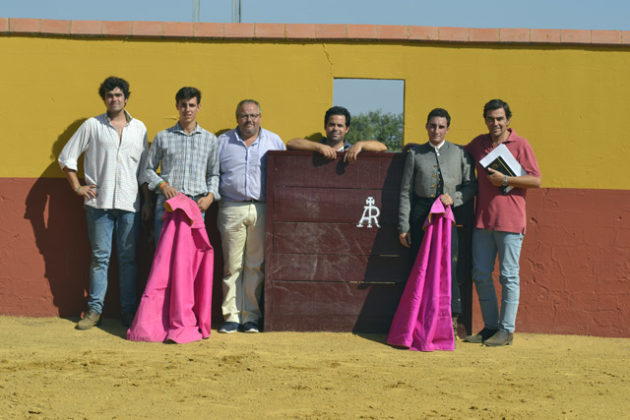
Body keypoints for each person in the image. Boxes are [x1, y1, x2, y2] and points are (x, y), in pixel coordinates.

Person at [58, 76, 149, 330]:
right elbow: (67, 157)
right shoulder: (92, 126)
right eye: (110, 96)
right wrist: (77, 186)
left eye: (119, 95)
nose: (114, 99)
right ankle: (94, 311)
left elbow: (143, 170)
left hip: (130, 204)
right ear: (105, 99)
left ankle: (128, 312)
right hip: (99, 205)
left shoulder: (139, 128)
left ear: (126, 98)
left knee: (128, 260)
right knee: (100, 258)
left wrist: (147, 202)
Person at [464, 99, 541, 346]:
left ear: (508, 120)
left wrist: (507, 178)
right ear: (485, 120)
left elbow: (536, 180)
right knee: (481, 274)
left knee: (508, 276)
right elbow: (458, 154)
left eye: (499, 118)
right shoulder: (479, 144)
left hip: (510, 222)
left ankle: (506, 331)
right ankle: (491, 327)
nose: (495, 123)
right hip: (483, 221)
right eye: (490, 118)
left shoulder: (521, 144)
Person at [398, 108, 476, 335]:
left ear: (448, 129)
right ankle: (418, 318)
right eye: (432, 126)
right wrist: (403, 226)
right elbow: (406, 192)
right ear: (426, 126)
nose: (436, 130)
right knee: (420, 267)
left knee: (447, 266)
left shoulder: (460, 153)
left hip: (447, 215)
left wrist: (456, 198)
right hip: (421, 214)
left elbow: (471, 185)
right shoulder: (416, 154)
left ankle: (449, 317)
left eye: (441, 126)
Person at [217, 99, 285, 334]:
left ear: (260, 117)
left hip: (262, 207)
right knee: (231, 266)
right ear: (237, 117)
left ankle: (251, 318)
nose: (249, 120)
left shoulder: (274, 141)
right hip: (231, 207)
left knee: (255, 265)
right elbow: (213, 174)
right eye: (245, 115)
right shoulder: (223, 142)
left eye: (254, 115)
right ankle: (231, 316)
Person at [143, 87, 220, 243]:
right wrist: (163, 185)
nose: (187, 109)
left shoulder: (210, 140)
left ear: (199, 107)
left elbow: (214, 173)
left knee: (190, 255)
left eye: (191, 105)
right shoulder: (163, 137)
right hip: (168, 203)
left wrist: (210, 198)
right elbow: (148, 170)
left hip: (196, 204)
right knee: (164, 253)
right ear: (177, 106)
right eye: (183, 105)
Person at [286, 106, 387, 162]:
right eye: (332, 125)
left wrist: (360, 145)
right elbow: (291, 143)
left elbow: (382, 147)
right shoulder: (317, 147)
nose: (335, 129)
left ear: (347, 129)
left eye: (340, 125)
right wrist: (318, 147)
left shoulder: (352, 150)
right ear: (325, 126)